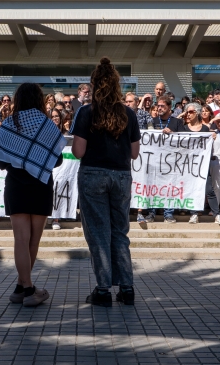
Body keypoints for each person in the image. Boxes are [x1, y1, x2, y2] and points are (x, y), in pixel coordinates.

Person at [71, 57, 140, 307]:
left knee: (99, 233)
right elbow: (134, 153)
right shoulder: (129, 114)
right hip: (121, 174)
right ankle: (127, 287)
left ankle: (103, 290)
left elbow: (78, 151)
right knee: (120, 232)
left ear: (95, 84)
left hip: (93, 174)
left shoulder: (86, 112)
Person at [0, 83, 65, 307]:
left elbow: (1, 162)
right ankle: (28, 289)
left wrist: (21, 160)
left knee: (20, 240)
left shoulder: (8, 124)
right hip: (41, 186)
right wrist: (36, 159)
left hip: (16, 186)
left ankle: (21, 286)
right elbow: (57, 159)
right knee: (33, 241)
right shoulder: (48, 125)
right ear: (38, 99)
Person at [144, 96, 183, 224]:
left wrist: (173, 134)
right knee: (152, 186)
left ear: (169, 107)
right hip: (154, 161)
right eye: (158, 105)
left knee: (169, 187)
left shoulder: (177, 123)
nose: (159, 108)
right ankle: (151, 213)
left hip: (170, 162)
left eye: (162, 106)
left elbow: (184, 140)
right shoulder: (152, 121)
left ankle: (169, 214)